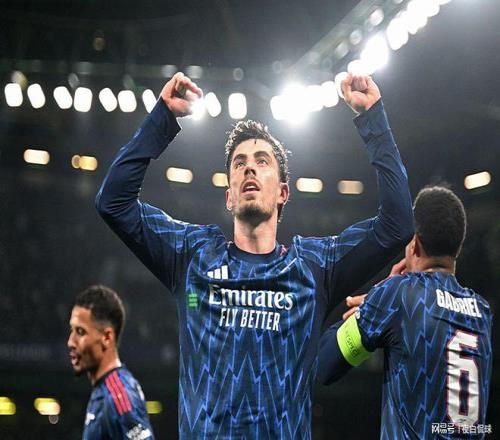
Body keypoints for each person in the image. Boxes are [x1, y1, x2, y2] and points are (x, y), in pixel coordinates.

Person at [95, 71, 414, 438]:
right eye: (239, 162)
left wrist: (373, 119)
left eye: (262, 161)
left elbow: (397, 224)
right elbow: (113, 203)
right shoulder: (192, 256)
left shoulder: (314, 268)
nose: (249, 166)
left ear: (283, 193)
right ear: (229, 196)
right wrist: (161, 119)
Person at [318, 186, 492, 439]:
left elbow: (324, 365)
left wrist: (376, 300)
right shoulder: (482, 312)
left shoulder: (397, 295)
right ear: (457, 248)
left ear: (414, 244)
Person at [68, 285, 154, 439]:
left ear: (107, 337)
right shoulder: (105, 390)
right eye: (71, 330)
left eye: (80, 332)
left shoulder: (118, 395)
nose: (70, 342)